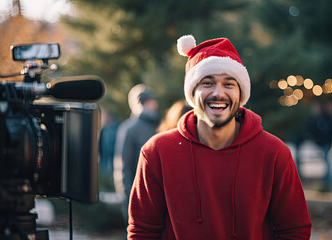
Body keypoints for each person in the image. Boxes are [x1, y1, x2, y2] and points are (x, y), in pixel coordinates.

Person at [127, 35, 311, 239]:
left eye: (229, 84)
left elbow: (294, 230)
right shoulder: (157, 152)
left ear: (241, 94)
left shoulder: (274, 153)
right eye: (207, 83)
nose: (218, 93)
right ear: (192, 93)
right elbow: (142, 231)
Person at [113, 85, 160, 226]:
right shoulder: (130, 128)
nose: (154, 105)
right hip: (139, 196)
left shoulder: (159, 127)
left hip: (153, 197)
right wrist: (128, 198)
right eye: (150, 101)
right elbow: (123, 168)